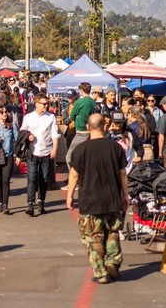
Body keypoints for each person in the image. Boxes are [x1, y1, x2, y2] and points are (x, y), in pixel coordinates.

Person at [67, 113, 129, 284]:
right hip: (112, 199)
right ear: (105, 126)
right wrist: (125, 194)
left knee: (93, 237)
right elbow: (122, 173)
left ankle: (100, 272)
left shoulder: (80, 150)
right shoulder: (115, 148)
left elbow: (74, 175)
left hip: (90, 200)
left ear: (88, 127)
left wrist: (70, 196)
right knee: (112, 234)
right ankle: (113, 264)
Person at [18, 92, 60, 216]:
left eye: (47, 104)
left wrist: (54, 149)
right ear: (36, 104)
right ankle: (30, 204)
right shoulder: (28, 117)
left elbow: (54, 134)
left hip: (46, 152)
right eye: (43, 104)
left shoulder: (50, 117)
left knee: (44, 179)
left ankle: (41, 202)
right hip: (33, 152)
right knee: (32, 178)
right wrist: (28, 136)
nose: (46, 106)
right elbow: (22, 131)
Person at [65, 83, 97, 184]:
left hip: (81, 132)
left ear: (82, 90)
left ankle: (75, 179)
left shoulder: (79, 102)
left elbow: (72, 116)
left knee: (69, 157)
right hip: (91, 132)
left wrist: (69, 119)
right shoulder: (93, 102)